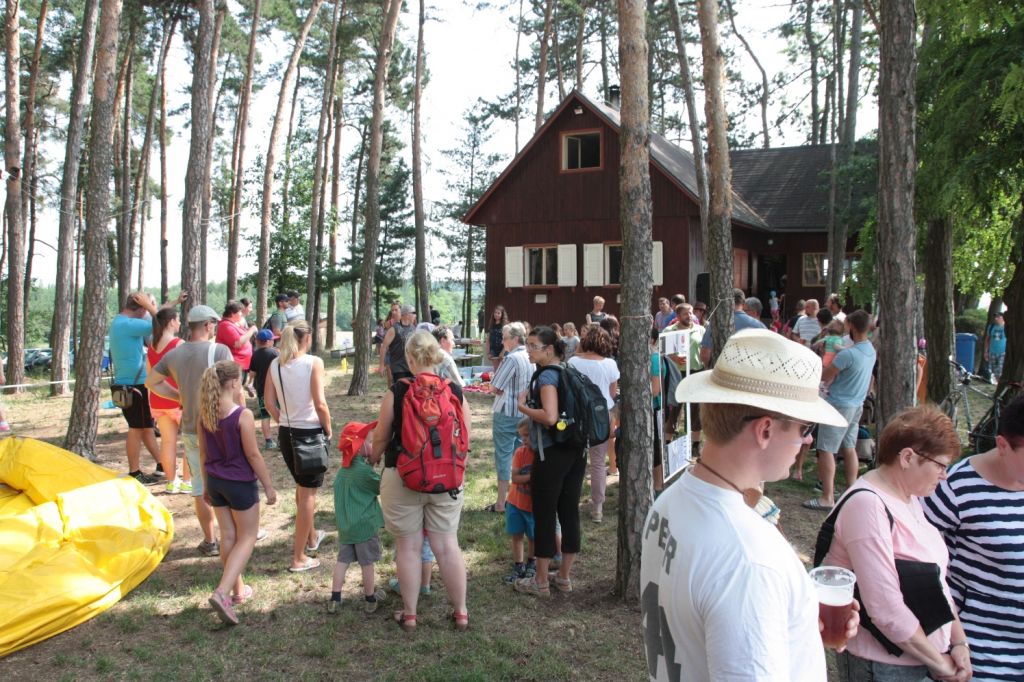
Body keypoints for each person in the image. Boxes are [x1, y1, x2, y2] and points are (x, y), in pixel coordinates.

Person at [640, 328, 856, 681]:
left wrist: (795, 620)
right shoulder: (750, 561)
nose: (808, 440)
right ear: (765, 430)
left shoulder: (670, 502)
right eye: (805, 428)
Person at [821, 405, 970, 681]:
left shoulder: (910, 498)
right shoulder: (868, 505)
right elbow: (884, 607)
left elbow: (937, 582)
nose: (944, 475)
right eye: (940, 465)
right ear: (908, 457)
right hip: (883, 666)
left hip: (919, 659)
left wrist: (958, 641)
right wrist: (939, 663)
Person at [368, 331, 471, 632]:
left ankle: (410, 615)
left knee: (409, 547)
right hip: (447, 480)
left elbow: (381, 436)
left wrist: (374, 457)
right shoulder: (455, 391)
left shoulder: (398, 392)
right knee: (448, 546)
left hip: (403, 478)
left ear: (410, 359)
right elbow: (465, 438)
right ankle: (461, 612)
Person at [922, 395, 1024, 681]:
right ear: (1002, 445)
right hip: (980, 658)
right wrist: (952, 645)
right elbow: (917, 568)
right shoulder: (954, 487)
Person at [148, 305, 237, 556]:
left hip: (190, 429)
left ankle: (210, 540)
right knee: (230, 479)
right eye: (214, 324)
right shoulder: (220, 350)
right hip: (219, 427)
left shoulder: (175, 353)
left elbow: (151, 382)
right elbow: (235, 388)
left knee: (199, 486)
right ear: (207, 325)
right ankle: (234, 533)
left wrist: (179, 396)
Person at [199, 361, 277, 626]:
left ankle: (238, 591)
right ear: (233, 383)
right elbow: (253, 455)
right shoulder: (242, 415)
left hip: (215, 482)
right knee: (247, 536)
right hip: (239, 484)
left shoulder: (205, 414)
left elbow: (202, 454)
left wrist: (206, 486)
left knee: (228, 536)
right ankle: (222, 593)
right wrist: (268, 486)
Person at [514, 326, 585, 597]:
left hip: (551, 453)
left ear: (549, 349)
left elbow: (550, 417)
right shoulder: (569, 370)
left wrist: (523, 407)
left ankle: (541, 581)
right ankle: (564, 577)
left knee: (544, 515)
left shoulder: (546, 377)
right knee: (569, 512)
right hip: (576, 450)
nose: (528, 351)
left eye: (533, 346)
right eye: (527, 345)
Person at [265, 321, 332, 572]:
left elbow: (268, 402)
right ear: (307, 338)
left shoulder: (275, 364)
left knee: (302, 489)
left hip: (286, 432)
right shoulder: (314, 363)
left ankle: (312, 538)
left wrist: (283, 419)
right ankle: (299, 557)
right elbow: (320, 403)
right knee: (308, 495)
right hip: (310, 433)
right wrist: (328, 428)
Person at [804, 310, 876, 511]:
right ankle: (852, 490)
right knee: (849, 447)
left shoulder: (847, 354)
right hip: (856, 405)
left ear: (851, 326)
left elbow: (825, 376)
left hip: (838, 405)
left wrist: (820, 359)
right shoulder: (870, 350)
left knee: (826, 449)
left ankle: (827, 497)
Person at [110, 291, 178, 483]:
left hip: (131, 384)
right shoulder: (127, 324)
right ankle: (134, 472)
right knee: (136, 429)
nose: (148, 312)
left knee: (146, 427)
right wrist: (150, 306)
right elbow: (163, 324)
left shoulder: (121, 323)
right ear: (140, 308)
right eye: (146, 309)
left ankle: (161, 464)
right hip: (134, 386)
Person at [328, 424, 387, 614]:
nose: (372, 445)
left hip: (346, 527)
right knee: (367, 563)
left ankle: (335, 598)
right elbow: (381, 487)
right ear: (359, 446)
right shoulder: (363, 472)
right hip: (364, 527)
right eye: (370, 442)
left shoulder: (343, 471)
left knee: (342, 561)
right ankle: (370, 598)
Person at [567, 326, 619, 523]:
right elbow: (612, 395)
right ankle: (598, 507)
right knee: (598, 463)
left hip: (577, 416)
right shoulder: (610, 364)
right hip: (602, 416)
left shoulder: (573, 363)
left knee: (574, 460)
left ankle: (570, 501)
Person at [487, 322, 534, 513]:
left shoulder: (512, 358)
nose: (502, 342)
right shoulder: (530, 356)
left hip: (507, 413)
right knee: (520, 455)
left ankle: (501, 502)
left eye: (505, 338)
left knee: (504, 456)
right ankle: (517, 498)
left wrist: (496, 387)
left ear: (515, 339)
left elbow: (495, 387)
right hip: (524, 413)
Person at [148, 307, 189, 494]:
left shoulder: (152, 345)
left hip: (158, 399)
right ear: (171, 322)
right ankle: (187, 481)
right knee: (190, 441)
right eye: (178, 319)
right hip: (177, 399)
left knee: (167, 442)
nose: (179, 323)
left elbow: (150, 375)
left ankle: (172, 482)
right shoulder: (178, 344)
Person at [504, 418, 538, 584]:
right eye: (521, 436)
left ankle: (532, 563)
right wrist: (534, 476)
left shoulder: (543, 455)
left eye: (527, 435)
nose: (523, 439)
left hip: (533, 507)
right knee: (517, 535)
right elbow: (515, 478)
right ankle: (519, 565)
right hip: (515, 503)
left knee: (533, 537)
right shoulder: (520, 453)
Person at [698, 288, 765, 366]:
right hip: (751, 371)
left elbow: (705, 355)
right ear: (743, 304)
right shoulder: (760, 326)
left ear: (726, 302)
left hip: (722, 370)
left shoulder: (716, 323)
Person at [216, 301, 257, 393]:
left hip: (240, 365)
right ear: (232, 313)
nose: (242, 314)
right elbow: (237, 343)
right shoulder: (225, 325)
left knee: (237, 390)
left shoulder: (232, 324)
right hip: (234, 365)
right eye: (240, 312)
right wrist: (251, 330)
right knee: (235, 392)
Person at [249, 329, 279, 449]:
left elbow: (252, 373)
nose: (273, 342)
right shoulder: (275, 353)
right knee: (280, 413)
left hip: (262, 390)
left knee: (265, 415)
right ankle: (282, 439)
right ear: (268, 341)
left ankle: (268, 441)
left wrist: (250, 384)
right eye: (272, 340)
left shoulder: (255, 355)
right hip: (276, 389)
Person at [379, 304, 417, 385]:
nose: (415, 315)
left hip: (411, 366)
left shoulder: (413, 328)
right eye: (414, 313)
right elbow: (383, 347)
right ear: (407, 314)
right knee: (401, 390)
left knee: (411, 390)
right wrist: (381, 365)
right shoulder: (394, 329)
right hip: (398, 367)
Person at [984, 312, 1006, 383]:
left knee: (1000, 370)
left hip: (1003, 353)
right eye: (995, 317)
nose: (996, 319)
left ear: (1003, 318)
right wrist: (986, 351)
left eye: (998, 317)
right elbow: (987, 339)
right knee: (994, 371)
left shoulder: (1006, 327)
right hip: (992, 352)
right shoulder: (991, 327)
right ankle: (998, 385)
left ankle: (999, 384)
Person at [487, 305, 510, 371]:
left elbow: (508, 340)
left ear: (502, 315)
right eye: (495, 312)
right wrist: (488, 353)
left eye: (498, 313)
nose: (496, 314)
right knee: (496, 370)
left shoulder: (505, 325)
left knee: (503, 370)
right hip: (493, 351)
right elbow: (488, 340)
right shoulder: (491, 324)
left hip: (503, 350)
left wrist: (503, 352)